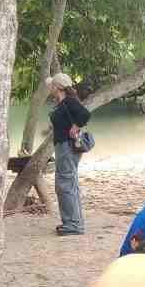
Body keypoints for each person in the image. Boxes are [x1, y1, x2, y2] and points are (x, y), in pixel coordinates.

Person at [47, 73, 91, 236]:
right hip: (64, 146)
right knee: (69, 183)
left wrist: (76, 126)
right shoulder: (63, 102)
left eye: (52, 85)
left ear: (57, 87)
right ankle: (74, 222)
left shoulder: (69, 101)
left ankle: (73, 224)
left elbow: (85, 114)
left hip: (67, 147)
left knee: (64, 183)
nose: (50, 88)